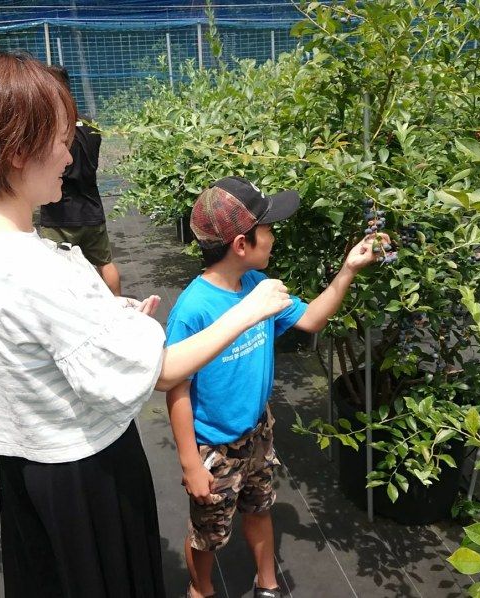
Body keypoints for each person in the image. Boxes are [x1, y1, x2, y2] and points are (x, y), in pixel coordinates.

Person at [0, 49, 294, 598]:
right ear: (14, 152)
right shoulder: (41, 269)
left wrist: (101, 317)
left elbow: (24, 332)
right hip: (84, 475)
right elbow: (164, 370)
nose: (70, 155)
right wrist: (252, 309)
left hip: (25, 460)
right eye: (60, 139)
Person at [165, 176, 390, 598]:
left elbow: (310, 320)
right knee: (207, 535)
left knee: (260, 506)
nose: (273, 236)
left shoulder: (256, 287)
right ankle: (201, 591)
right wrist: (191, 464)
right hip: (215, 447)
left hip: (257, 431)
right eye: (266, 228)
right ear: (240, 245)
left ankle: (267, 583)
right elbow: (175, 387)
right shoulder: (193, 310)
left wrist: (348, 270)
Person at [39, 65, 121, 296]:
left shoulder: (52, 129)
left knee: (58, 271)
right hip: (91, 208)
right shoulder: (91, 125)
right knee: (105, 263)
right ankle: (120, 306)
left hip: (60, 214)